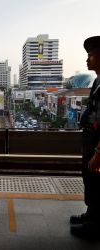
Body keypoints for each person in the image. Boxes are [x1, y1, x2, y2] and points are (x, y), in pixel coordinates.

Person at [70, 36, 100, 238]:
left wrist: (99, 152)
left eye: (91, 55)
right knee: (90, 180)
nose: (87, 60)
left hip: (98, 143)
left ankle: (96, 225)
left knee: (98, 183)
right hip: (90, 139)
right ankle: (91, 215)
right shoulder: (97, 80)